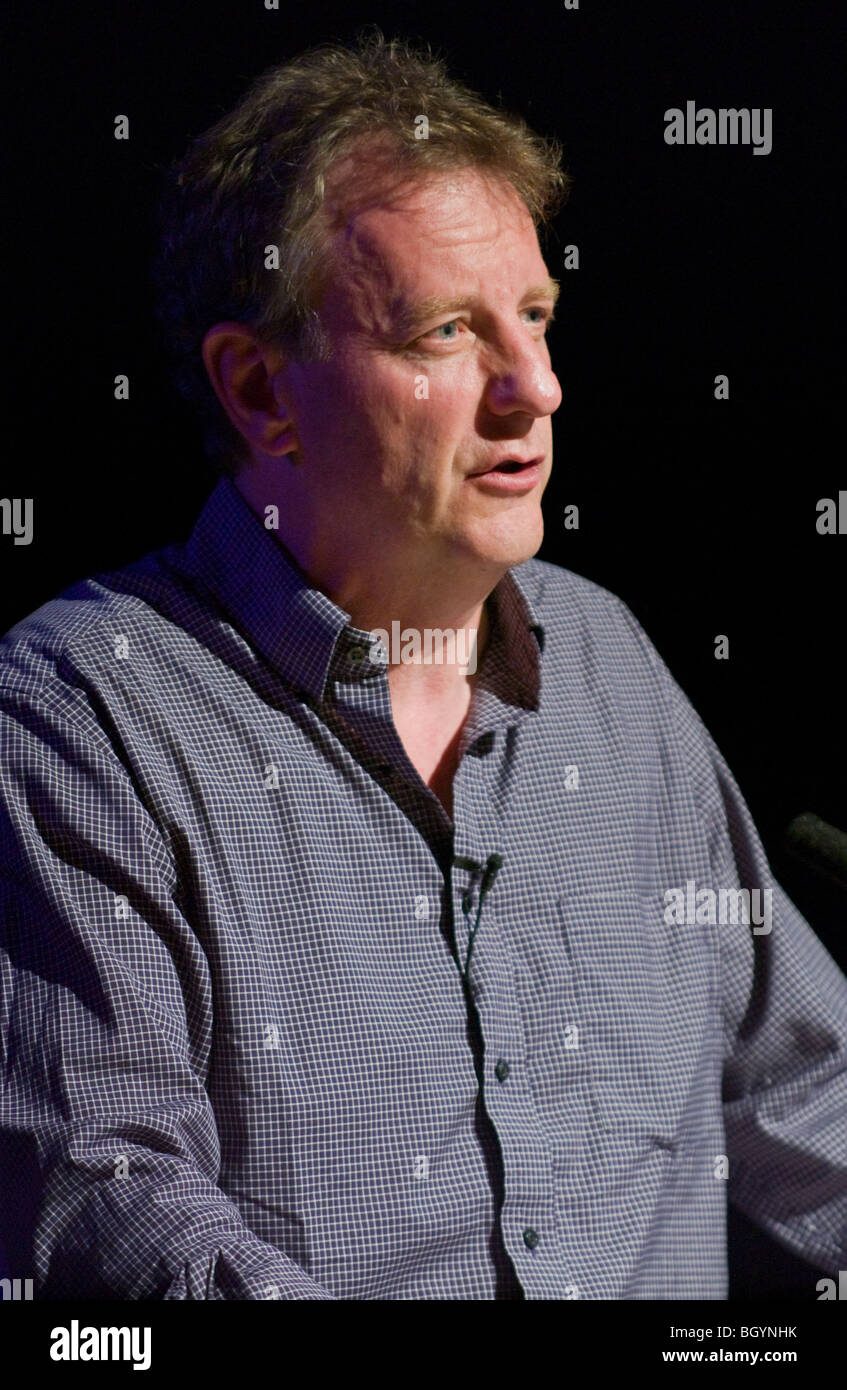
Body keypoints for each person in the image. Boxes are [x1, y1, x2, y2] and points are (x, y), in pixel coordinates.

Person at [1, 31, 845, 1302]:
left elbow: (805, 1090)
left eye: (537, 317)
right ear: (259, 390)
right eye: (449, 332)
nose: (537, 387)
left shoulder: (607, 664)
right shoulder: (83, 716)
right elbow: (104, 1210)